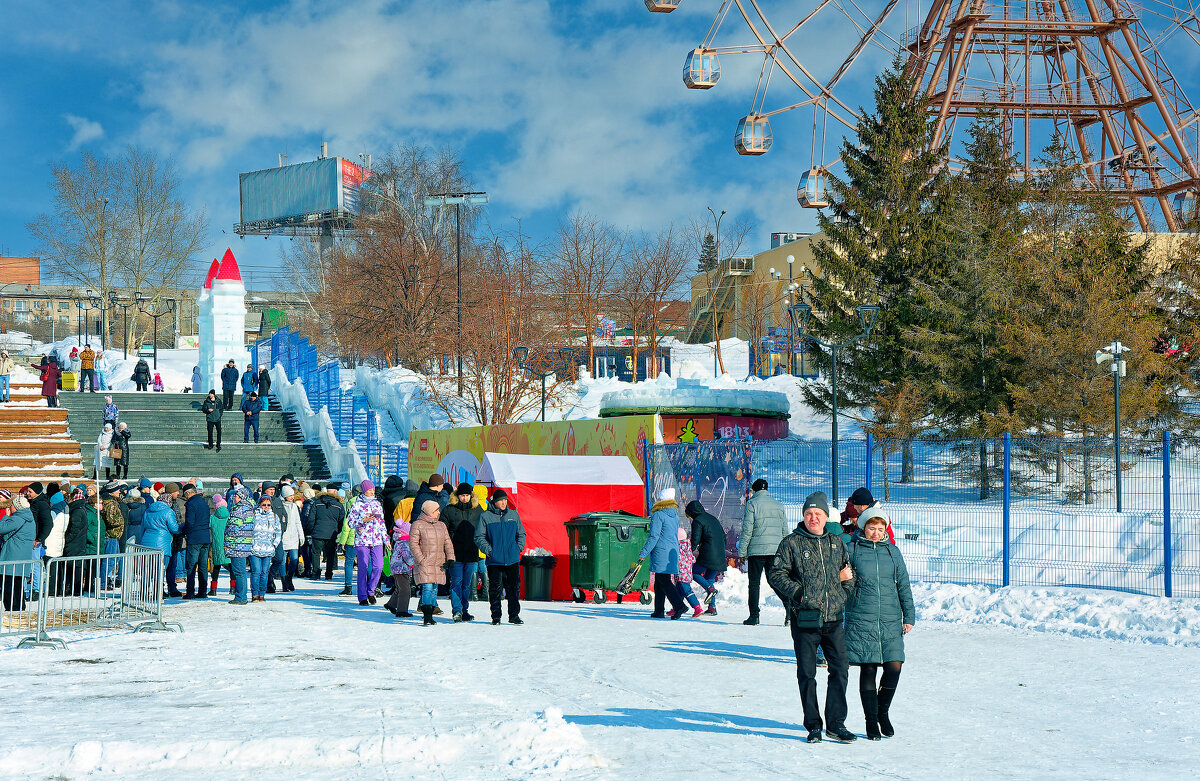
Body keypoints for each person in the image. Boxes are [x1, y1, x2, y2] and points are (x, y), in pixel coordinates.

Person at [767, 491, 857, 744]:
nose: (813, 518)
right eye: (808, 513)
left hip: (833, 619)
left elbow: (849, 573)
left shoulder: (836, 543)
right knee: (807, 673)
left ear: (826, 517)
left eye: (817, 513)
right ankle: (814, 725)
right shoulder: (791, 543)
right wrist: (801, 594)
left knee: (840, 669)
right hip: (805, 619)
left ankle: (836, 724)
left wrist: (842, 595)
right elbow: (776, 575)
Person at [845, 507, 915, 740]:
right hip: (861, 617)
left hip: (890, 617)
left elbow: (903, 584)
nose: (876, 533)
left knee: (894, 666)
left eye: (880, 528)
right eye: (871, 528)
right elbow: (843, 582)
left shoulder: (893, 552)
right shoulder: (851, 549)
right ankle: (870, 721)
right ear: (863, 528)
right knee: (869, 667)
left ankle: (882, 713)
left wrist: (909, 616)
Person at [738, 478, 790, 625]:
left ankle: (754, 615)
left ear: (754, 491)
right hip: (775, 550)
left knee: (754, 583)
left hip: (756, 550)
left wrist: (742, 551)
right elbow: (784, 529)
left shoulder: (752, 504)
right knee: (774, 580)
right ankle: (789, 606)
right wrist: (785, 551)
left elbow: (747, 529)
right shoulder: (779, 505)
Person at [475, 488, 526, 625]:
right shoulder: (485, 516)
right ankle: (496, 616)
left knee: (514, 589)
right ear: (494, 502)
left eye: (505, 500)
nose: (503, 503)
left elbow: (521, 534)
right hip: (494, 561)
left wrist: (517, 549)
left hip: (512, 559)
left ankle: (514, 615)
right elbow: (479, 537)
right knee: (495, 590)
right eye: (500, 500)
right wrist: (489, 551)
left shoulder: (513, 515)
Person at [638, 488, 687, 619]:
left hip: (661, 551)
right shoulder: (675, 516)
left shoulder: (658, 515)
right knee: (660, 582)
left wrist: (643, 553)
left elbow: (653, 537)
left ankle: (679, 606)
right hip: (672, 551)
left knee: (663, 580)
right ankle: (659, 610)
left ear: (661, 500)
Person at [408, 499, 454, 626]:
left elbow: (447, 543)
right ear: (429, 511)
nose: (438, 512)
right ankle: (427, 616)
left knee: (434, 589)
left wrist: (450, 558)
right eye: (436, 510)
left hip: (439, 563)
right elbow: (413, 544)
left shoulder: (441, 525)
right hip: (425, 563)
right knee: (427, 588)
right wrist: (421, 559)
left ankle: (431, 614)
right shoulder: (417, 524)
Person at [443, 483, 483, 622]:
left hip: (472, 553)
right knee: (456, 582)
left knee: (466, 584)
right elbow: (444, 531)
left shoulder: (478, 510)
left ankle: (464, 610)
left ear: (471, 496)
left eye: (467, 495)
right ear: (457, 496)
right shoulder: (449, 510)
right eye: (462, 495)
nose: (465, 498)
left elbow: (482, 529)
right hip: (455, 553)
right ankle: (457, 610)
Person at [685, 499, 727, 615]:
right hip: (720, 554)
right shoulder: (713, 518)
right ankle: (712, 608)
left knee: (693, 573)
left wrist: (690, 551)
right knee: (709, 578)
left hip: (708, 553)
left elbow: (695, 540)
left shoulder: (698, 521)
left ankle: (710, 589)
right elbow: (724, 537)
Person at [347, 480, 386, 605]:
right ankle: (362, 596)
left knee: (378, 566)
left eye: (373, 490)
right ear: (364, 491)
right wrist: (362, 520)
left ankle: (371, 590)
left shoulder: (377, 504)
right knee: (363, 567)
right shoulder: (356, 505)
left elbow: (381, 524)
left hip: (377, 540)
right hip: (362, 540)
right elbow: (350, 523)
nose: (372, 492)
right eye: (369, 490)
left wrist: (386, 539)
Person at [141, 490, 181, 598]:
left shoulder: (148, 510)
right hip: (162, 544)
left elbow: (142, 527)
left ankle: (143, 592)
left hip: (146, 543)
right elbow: (174, 529)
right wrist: (183, 527)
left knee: (148, 569)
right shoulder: (168, 511)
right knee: (160, 569)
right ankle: (158, 592)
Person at [0, 491, 35, 611]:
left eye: (12, 505)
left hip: (11, 556)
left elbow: (2, 528)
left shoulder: (17, 518)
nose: (10, 507)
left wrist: (5, 516)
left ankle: (12, 610)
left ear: (17, 507)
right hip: (23, 557)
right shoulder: (30, 518)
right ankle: (20, 610)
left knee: (8, 586)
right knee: (18, 586)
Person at [224, 486, 255, 604]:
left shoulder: (239, 509)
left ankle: (241, 597)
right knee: (241, 572)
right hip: (245, 544)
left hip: (237, 545)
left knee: (239, 572)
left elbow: (232, 529)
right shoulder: (249, 508)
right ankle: (241, 596)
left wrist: (228, 544)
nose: (234, 498)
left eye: (237, 496)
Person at [180, 485, 211, 599]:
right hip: (205, 537)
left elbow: (190, 522)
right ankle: (203, 591)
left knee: (191, 566)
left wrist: (183, 531)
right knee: (203, 566)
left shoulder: (191, 504)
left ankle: (190, 591)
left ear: (188, 493)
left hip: (194, 538)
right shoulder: (204, 503)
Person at [249, 494, 281, 602]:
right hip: (255, 549)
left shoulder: (275, 516)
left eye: (268, 505)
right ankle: (254, 594)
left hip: (268, 549)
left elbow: (278, 532)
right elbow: (248, 530)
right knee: (256, 571)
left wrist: (274, 544)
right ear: (259, 504)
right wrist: (251, 543)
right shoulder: (253, 514)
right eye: (264, 504)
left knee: (264, 572)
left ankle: (262, 594)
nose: (266, 507)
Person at [308, 485, 344, 580]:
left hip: (317, 532)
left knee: (316, 553)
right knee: (330, 554)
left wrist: (313, 529)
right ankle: (328, 573)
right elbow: (342, 521)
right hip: (331, 533)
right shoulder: (339, 505)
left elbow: (311, 518)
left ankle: (315, 573)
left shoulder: (317, 503)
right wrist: (337, 531)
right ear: (335, 492)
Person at [670, 525, 706, 619]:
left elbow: (677, 560)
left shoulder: (679, 547)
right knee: (679, 591)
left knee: (687, 591)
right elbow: (692, 559)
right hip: (686, 573)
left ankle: (697, 607)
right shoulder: (687, 546)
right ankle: (677, 607)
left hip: (682, 573)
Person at [384, 514, 416, 618]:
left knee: (399, 588)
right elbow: (407, 556)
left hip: (397, 569)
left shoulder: (399, 541)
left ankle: (391, 604)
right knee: (405, 590)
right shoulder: (404, 543)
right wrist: (413, 563)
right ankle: (402, 610)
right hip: (401, 569)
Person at [99, 482, 126, 589]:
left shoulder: (110, 502)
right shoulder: (111, 504)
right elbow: (111, 520)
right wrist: (121, 520)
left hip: (112, 535)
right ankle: (103, 582)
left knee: (113, 559)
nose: (119, 491)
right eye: (117, 490)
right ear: (112, 491)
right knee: (110, 560)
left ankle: (104, 580)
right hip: (111, 535)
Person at [278, 485, 303, 592]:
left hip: (293, 537)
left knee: (294, 559)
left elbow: (298, 522)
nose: (292, 497)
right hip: (283, 536)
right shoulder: (280, 506)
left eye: (293, 495)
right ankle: (284, 582)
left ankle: (289, 578)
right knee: (282, 561)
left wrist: (301, 535)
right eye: (290, 495)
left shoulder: (294, 507)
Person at [208, 494, 232, 594]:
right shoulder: (230, 517)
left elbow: (208, 527)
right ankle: (233, 588)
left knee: (216, 567)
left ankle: (213, 589)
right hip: (228, 545)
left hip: (217, 546)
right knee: (232, 568)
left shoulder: (213, 518)